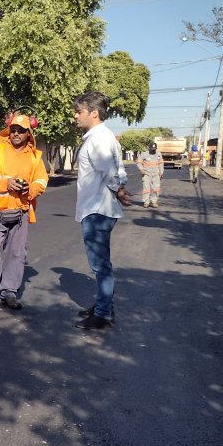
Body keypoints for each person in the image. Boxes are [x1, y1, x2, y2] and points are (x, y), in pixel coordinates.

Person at [0, 112, 49, 311]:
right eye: (13, 130)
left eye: (21, 131)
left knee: (16, 253)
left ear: (28, 133)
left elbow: (41, 181)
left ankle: (9, 292)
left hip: (20, 212)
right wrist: (6, 183)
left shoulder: (34, 156)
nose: (16, 134)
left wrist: (29, 189)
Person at [72, 91, 132, 330]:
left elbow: (110, 173)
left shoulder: (98, 139)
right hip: (99, 208)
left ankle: (103, 315)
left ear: (94, 113)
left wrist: (119, 190)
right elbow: (120, 170)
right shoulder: (105, 137)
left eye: (79, 112)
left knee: (100, 265)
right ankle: (103, 305)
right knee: (102, 264)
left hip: (97, 210)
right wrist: (120, 187)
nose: (76, 116)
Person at [136, 142, 164, 208]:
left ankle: (153, 201)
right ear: (149, 148)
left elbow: (161, 163)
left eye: (154, 149)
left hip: (156, 174)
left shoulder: (158, 154)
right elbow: (139, 162)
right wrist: (141, 169)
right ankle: (146, 202)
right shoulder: (144, 154)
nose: (153, 151)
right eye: (152, 149)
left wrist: (161, 172)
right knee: (146, 189)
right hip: (146, 174)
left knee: (156, 188)